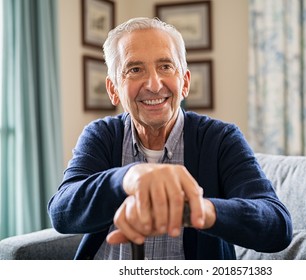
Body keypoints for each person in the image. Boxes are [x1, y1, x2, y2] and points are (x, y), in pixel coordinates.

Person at [48, 17, 292, 260]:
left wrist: (197, 210)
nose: (154, 85)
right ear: (113, 89)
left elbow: (277, 225)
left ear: (184, 83)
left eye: (165, 66)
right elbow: (62, 213)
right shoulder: (101, 134)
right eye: (135, 69)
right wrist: (128, 177)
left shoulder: (220, 139)